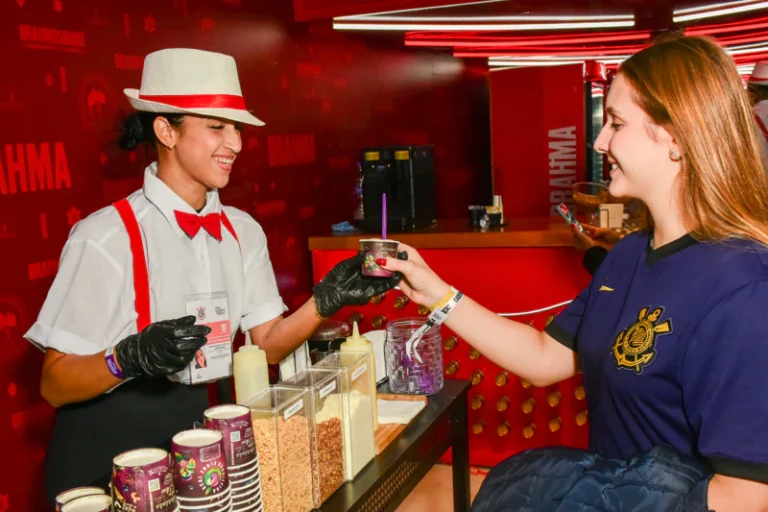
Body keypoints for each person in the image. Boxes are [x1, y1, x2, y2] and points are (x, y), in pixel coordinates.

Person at [382, 35, 768, 510]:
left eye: (617, 123)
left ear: (676, 138)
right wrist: (437, 293)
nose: (600, 141)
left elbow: (745, 496)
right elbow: (546, 357)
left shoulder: (744, 289)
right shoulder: (629, 254)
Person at [25, 48, 400, 503]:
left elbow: (266, 343)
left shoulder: (243, 231)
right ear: (166, 131)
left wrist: (324, 301)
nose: (236, 143)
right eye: (217, 127)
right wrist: (128, 357)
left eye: (237, 128)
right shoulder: (104, 236)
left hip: (199, 446)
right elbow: (54, 384)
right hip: (107, 457)